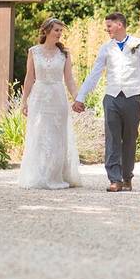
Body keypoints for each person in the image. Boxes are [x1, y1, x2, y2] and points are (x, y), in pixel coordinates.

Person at [72, 12, 140, 192]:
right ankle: (114, 179)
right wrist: (80, 97)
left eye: (109, 25)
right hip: (111, 98)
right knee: (112, 139)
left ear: (119, 25)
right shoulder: (106, 48)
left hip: (133, 98)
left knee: (130, 139)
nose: (106, 29)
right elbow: (94, 74)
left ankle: (127, 177)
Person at [17, 18, 83, 190]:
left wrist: (77, 97)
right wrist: (24, 101)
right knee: (38, 135)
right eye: (56, 30)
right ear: (46, 31)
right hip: (39, 97)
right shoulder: (33, 52)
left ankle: (55, 175)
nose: (59, 34)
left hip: (57, 97)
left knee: (57, 137)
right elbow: (29, 77)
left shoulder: (65, 54)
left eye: (61, 31)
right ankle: (38, 175)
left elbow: (69, 79)